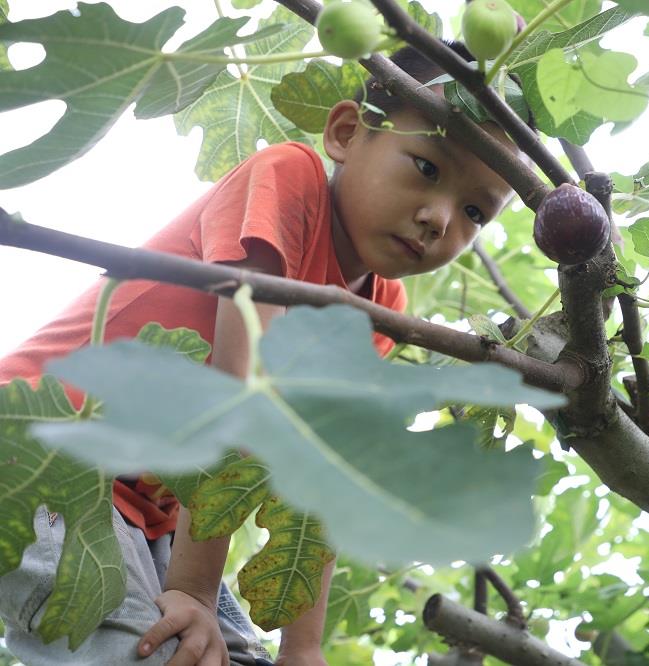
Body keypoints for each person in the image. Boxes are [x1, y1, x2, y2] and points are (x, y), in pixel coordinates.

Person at [0, 40, 525, 665]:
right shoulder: (288, 177)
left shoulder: (381, 311)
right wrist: (193, 589)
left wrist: (303, 649)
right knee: (161, 654)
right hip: (46, 452)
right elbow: (243, 391)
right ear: (347, 132)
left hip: (151, 519)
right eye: (426, 168)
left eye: (474, 211)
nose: (440, 219)